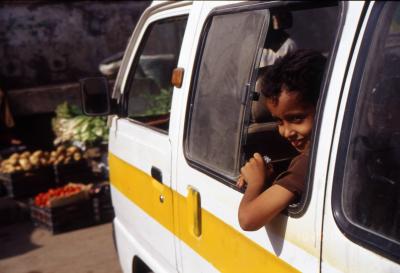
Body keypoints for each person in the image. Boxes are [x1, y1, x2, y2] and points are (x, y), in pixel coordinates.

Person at [237, 49, 326, 231]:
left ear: (325, 106)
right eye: (279, 121)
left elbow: (248, 219)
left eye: (296, 118)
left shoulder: (310, 162)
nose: (286, 132)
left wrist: (256, 183)